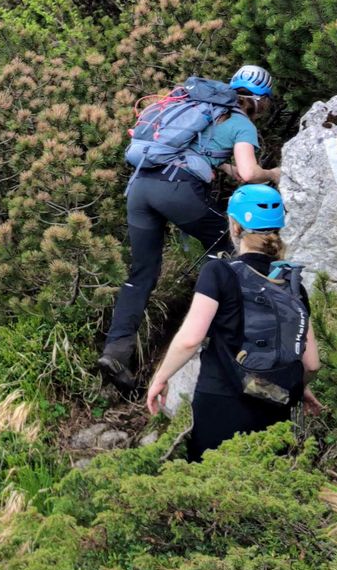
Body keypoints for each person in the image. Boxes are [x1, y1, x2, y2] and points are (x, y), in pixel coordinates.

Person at [97, 63, 281, 393]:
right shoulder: (240, 124)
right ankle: (225, 329)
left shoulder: (201, 108)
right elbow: (251, 172)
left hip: (141, 188)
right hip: (177, 190)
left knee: (142, 273)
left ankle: (116, 353)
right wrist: (276, 174)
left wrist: (223, 166)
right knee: (232, 243)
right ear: (261, 100)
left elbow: (204, 153)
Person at [143, 184, 321, 460]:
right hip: (275, 410)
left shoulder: (219, 271)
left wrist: (161, 378)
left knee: (212, 491)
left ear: (235, 227)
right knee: (267, 487)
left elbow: (191, 339)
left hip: (220, 404)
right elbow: (311, 363)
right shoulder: (292, 284)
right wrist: (294, 385)